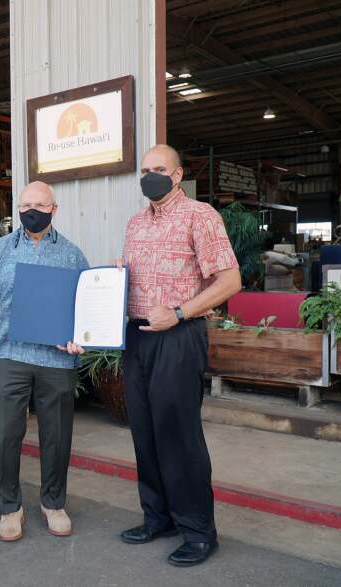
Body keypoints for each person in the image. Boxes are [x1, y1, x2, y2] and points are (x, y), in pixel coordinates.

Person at [116, 144, 240, 567]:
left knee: (178, 434)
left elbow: (230, 279)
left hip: (179, 335)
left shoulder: (200, 216)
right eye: (145, 169)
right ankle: (158, 518)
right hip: (138, 338)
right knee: (145, 431)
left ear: (177, 174)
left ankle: (198, 532)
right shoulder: (135, 224)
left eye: (159, 169)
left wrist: (180, 312)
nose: (151, 175)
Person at [0, 181, 88, 542]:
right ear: (17, 208)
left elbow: (85, 307)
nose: (32, 210)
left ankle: (53, 503)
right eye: (25, 204)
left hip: (56, 358)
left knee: (57, 435)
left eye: (40, 204)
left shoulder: (71, 254)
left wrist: (82, 336)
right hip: (9, 354)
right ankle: (9, 506)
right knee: (6, 434)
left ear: (54, 209)